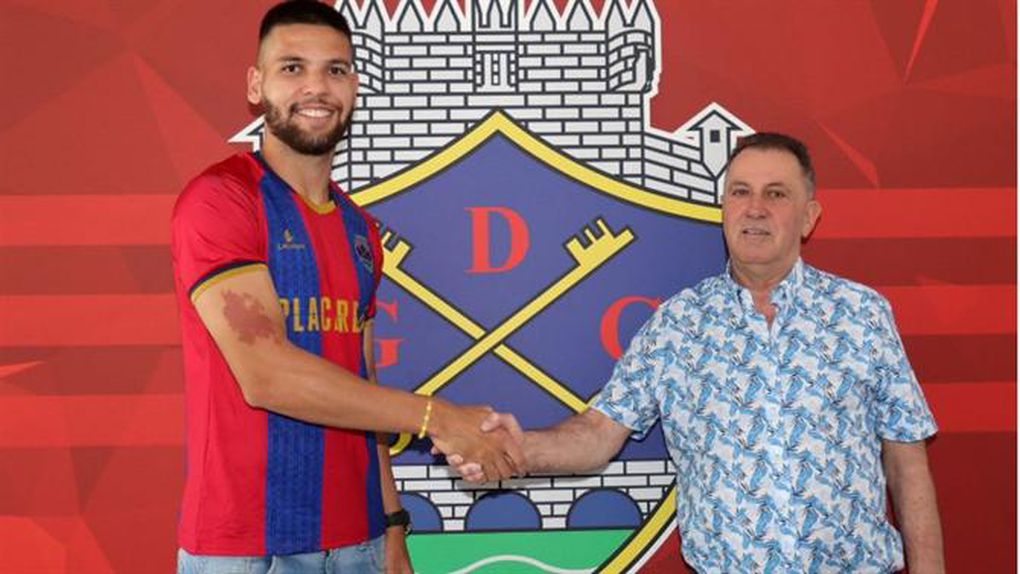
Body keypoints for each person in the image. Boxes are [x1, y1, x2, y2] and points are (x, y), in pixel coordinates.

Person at [455, 133, 944, 573]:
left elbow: (907, 464)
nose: (755, 208)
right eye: (740, 192)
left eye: (776, 194)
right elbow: (598, 434)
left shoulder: (861, 314)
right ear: (724, 209)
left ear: (809, 216)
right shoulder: (677, 324)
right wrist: (518, 449)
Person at [171, 2, 521, 572]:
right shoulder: (222, 200)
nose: (316, 87)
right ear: (256, 85)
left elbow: (363, 381)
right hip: (248, 546)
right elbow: (266, 375)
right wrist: (437, 417)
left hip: (360, 540)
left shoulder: (359, 229)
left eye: (335, 70)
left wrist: (392, 522)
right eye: (292, 68)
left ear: (354, 86)